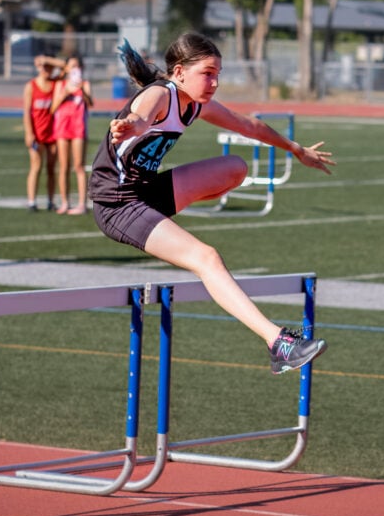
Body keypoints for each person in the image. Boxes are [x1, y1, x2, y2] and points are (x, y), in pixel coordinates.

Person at [88, 33, 335, 375]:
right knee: (207, 258)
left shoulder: (196, 104)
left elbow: (248, 125)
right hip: (116, 203)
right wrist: (132, 125)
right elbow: (142, 115)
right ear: (179, 72)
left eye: (218, 74)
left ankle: (163, 222)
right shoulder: (160, 94)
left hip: (146, 191)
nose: (215, 82)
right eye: (208, 73)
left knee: (236, 168)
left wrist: (296, 149)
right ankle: (278, 343)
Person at [51, 55, 94, 214]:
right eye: (71, 66)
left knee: (79, 166)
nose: (74, 69)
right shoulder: (60, 85)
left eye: (77, 66)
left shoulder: (85, 84)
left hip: (78, 128)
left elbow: (90, 104)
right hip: (63, 127)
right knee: (63, 166)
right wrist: (64, 94)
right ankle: (64, 202)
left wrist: (81, 90)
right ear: (66, 69)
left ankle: (82, 204)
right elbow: (53, 108)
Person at [22, 54, 64, 211]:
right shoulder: (30, 86)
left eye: (49, 67)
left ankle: (50, 201)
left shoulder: (55, 84)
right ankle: (32, 201)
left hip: (53, 133)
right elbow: (26, 112)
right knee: (36, 166)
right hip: (37, 133)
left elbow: (65, 67)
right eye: (43, 66)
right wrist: (29, 133)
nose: (46, 69)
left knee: (51, 168)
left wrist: (48, 60)